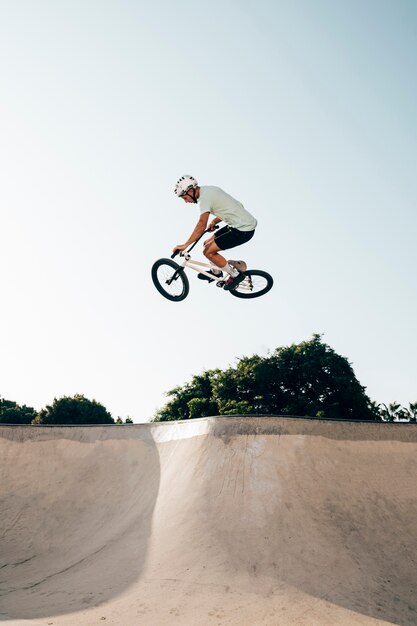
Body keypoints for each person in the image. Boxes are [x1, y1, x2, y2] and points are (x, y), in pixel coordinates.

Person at [173, 175, 257, 290]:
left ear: (190, 190)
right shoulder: (210, 189)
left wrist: (185, 245)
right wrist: (214, 221)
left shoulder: (203, 199)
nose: (186, 202)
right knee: (207, 243)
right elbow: (237, 205)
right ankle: (216, 272)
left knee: (208, 252)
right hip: (237, 224)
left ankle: (235, 275)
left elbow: (201, 225)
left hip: (243, 230)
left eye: (184, 198)